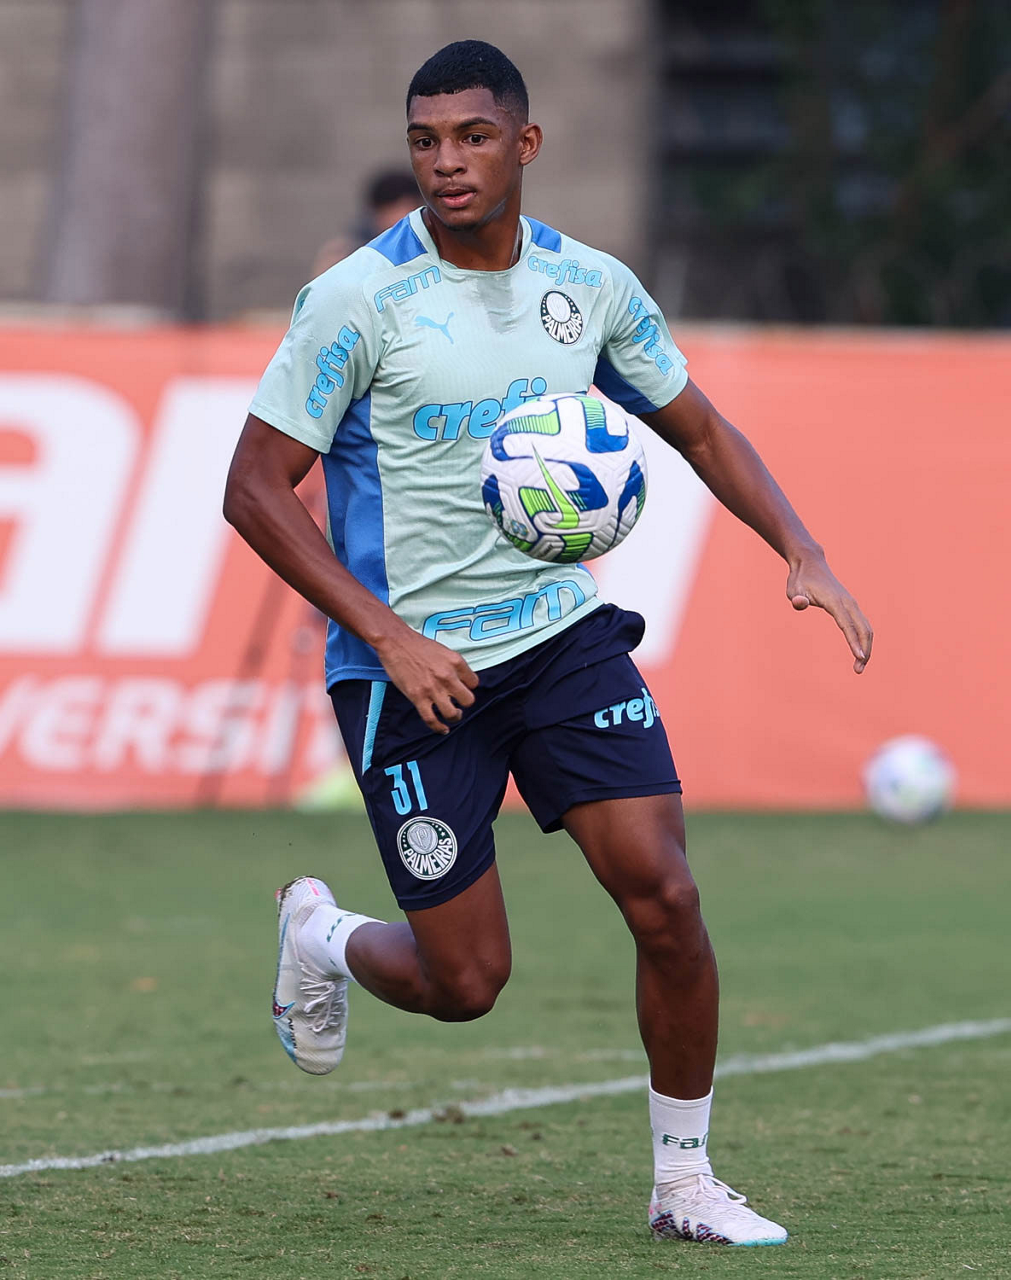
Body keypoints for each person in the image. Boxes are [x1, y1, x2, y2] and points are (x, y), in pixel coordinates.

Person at [223, 40, 872, 1247]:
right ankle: (321, 933)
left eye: (473, 137)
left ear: (524, 144)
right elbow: (254, 489)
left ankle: (685, 1180)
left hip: (562, 641)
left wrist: (802, 546)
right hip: (411, 672)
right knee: (465, 983)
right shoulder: (356, 300)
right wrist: (389, 634)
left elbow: (699, 427)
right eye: (426, 141)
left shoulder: (591, 287)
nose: (447, 162)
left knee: (668, 896)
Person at [310, 170, 421, 277]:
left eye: (398, 210)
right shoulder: (345, 253)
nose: (393, 219)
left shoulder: (424, 247)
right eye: (389, 211)